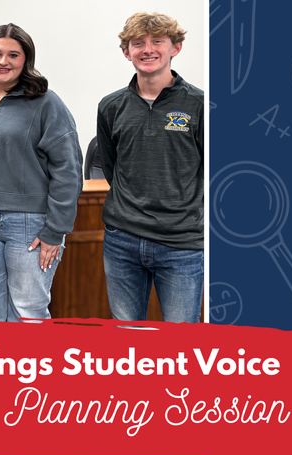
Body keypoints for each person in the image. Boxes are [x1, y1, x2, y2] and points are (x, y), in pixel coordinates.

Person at [0, 24, 83, 322]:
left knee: (28, 311)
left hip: (30, 225)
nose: (3, 61)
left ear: (27, 60)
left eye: (14, 54)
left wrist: (56, 230)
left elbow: (68, 170)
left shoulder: (46, 102)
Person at [97, 12, 203, 322]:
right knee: (128, 341)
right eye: (138, 43)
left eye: (158, 41)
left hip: (181, 244)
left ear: (176, 48)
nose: (148, 49)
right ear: (126, 52)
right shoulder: (111, 106)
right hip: (122, 240)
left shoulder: (199, 105)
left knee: (181, 346)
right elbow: (110, 166)